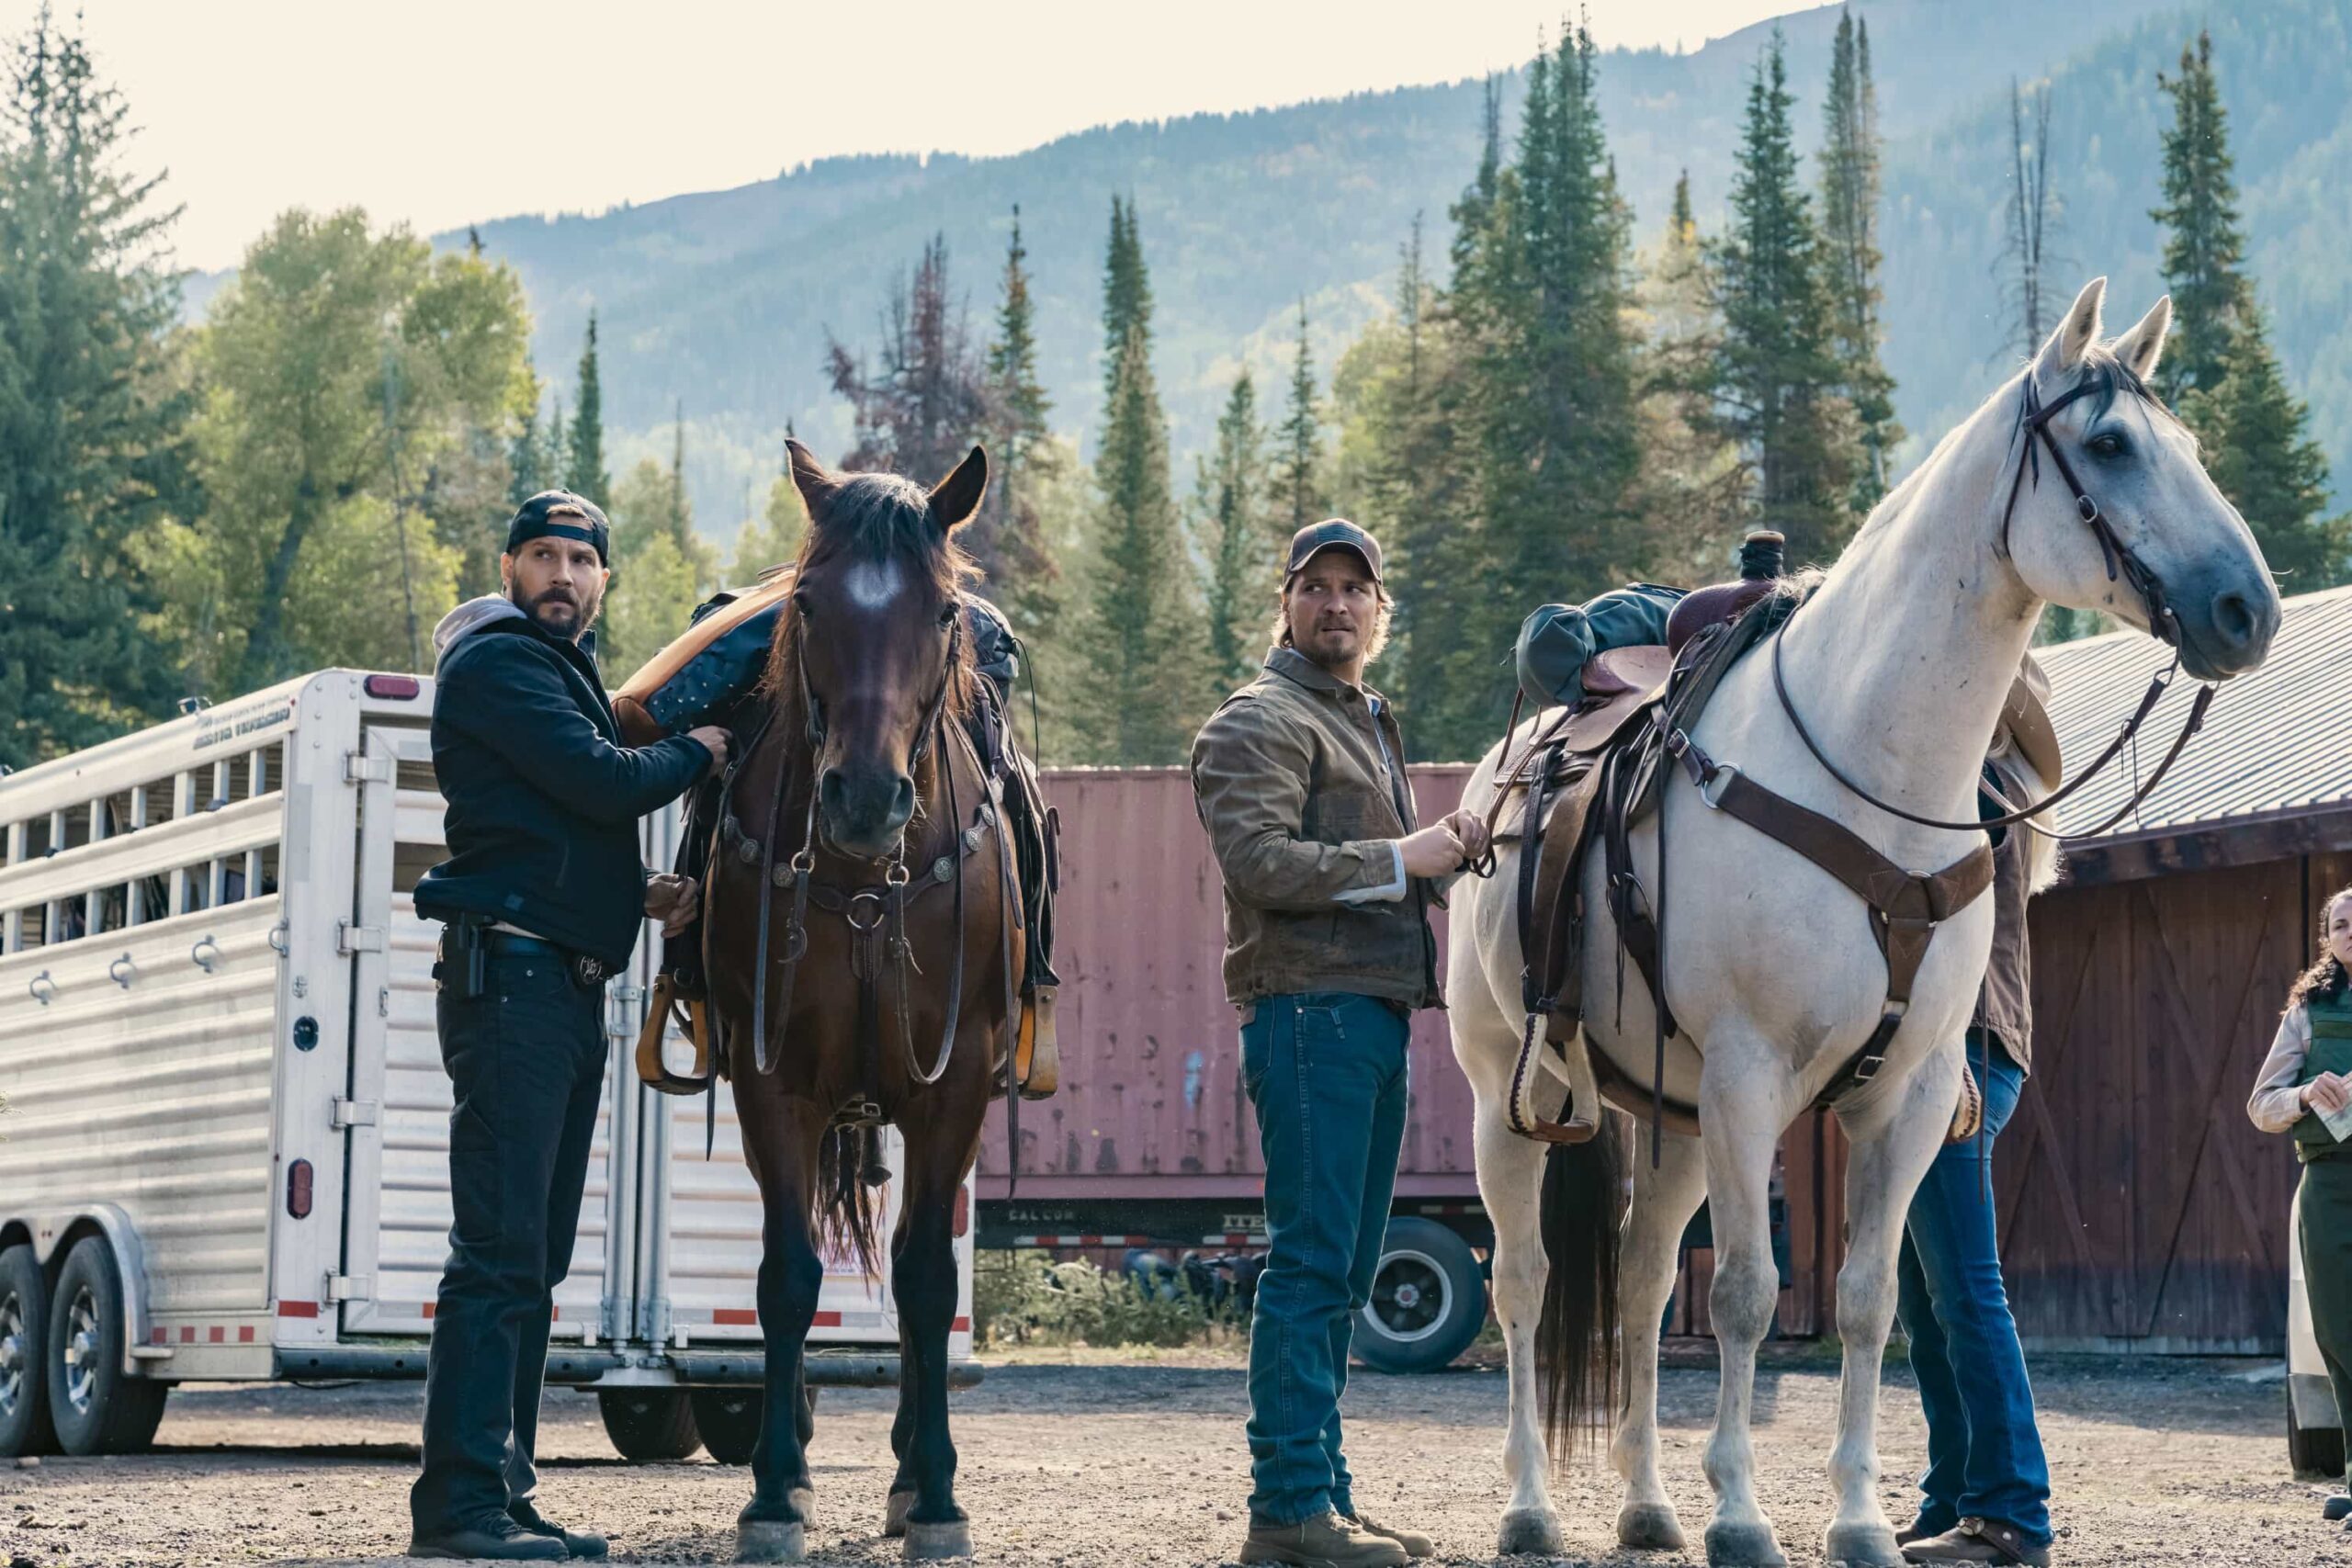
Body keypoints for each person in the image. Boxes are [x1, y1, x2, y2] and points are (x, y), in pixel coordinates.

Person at [407, 491, 729, 1561]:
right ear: (508, 569)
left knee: (531, 1260)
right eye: (541, 555)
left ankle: (502, 1491)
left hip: (556, 981)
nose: (561, 574)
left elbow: (533, 821)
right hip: (515, 987)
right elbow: (598, 783)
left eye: (580, 561)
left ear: (604, 582)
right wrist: (703, 747)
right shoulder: (501, 663)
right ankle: (457, 1512)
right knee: (499, 1256)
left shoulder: (559, 672)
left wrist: (633, 894)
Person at [1191, 519, 1488, 1568]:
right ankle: (1286, 1512)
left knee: (1346, 1271)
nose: (1335, 604)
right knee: (1312, 1264)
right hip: (1308, 1014)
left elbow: (1378, 866)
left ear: (1379, 610)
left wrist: (1441, 858)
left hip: (1366, 1011)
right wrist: (1402, 856)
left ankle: (1325, 1498)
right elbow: (1263, 867)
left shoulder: (1361, 718)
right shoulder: (1257, 722)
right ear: (1284, 605)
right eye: (1314, 587)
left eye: (1354, 589)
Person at [1896, 661, 2061, 1568]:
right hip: (1965, 1051)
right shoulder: (2000, 790)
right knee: (1930, 1302)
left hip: (1960, 1050)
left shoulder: (1976, 789)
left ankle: (2010, 1513)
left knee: (1963, 1288)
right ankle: (1953, 1497)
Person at [2249, 884, 2352, 1529]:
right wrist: (2307, 1094)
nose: (2351, 930)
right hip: (2329, 1183)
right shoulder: (2308, 1014)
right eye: (2341, 923)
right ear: (2328, 937)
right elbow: (2261, 1104)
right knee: (2340, 1334)